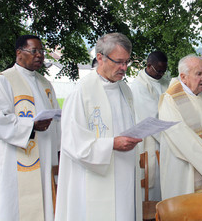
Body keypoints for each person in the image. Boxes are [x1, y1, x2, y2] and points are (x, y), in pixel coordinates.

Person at [55, 33, 143, 221]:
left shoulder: (124, 89)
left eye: (127, 62)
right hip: (93, 177)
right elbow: (72, 142)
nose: (124, 68)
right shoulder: (81, 92)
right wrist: (111, 144)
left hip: (124, 173)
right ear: (100, 57)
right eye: (119, 62)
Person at [0, 35, 61, 221]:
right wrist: (31, 125)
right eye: (34, 51)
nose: (39, 56)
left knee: (45, 201)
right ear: (19, 53)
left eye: (42, 52)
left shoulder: (46, 84)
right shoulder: (3, 81)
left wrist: (59, 151)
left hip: (45, 156)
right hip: (16, 159)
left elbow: (56, 118)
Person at [158, 54, 202, 220]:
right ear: (183, 77)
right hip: (183, 170)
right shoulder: (170, 99)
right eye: (198, 74)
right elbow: (180, 136)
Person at [130, 51, 170, 201]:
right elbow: (152, 116)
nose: (161, 74)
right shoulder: (139, 86)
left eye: (164, 70)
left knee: (166, 187)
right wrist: (171, 139)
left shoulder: (166, 81)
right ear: (148, 66)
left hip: (166, 137)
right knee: (151, 190)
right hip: (151, 141)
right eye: (159, 70)